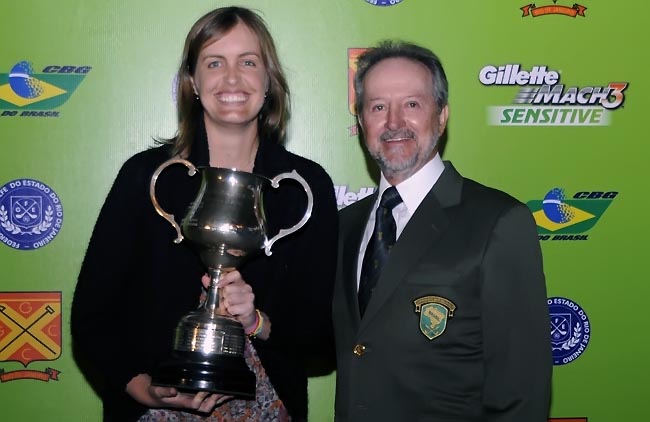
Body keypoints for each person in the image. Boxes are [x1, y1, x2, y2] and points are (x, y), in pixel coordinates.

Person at [71, 6, 337, 422]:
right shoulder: (148, 178)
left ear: (269, 81)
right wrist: (143, 388)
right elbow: (93, 316)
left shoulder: (304, 187)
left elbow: (322, 336)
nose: (232, 78)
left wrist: (257, 321)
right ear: (192, 82)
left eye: (248, 62)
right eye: (215, 63)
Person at [332, 40, 552, 421]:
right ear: (361, 121)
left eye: (412, 104)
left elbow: (521, 393)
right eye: (378, 106)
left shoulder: (499, 222)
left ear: (443, 116)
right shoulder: (344, 226)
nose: (394, 122)